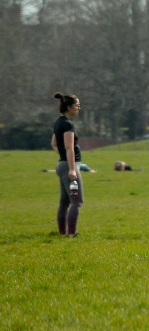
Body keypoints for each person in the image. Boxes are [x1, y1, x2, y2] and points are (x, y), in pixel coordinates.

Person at [51, 92, 83, 237]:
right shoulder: (68, 125)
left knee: (64, 202)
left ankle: (62, 232)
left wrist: (63, 157)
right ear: (69, 107)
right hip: (69, 167)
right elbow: (69, 147)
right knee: (76, 202)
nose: (78, 108)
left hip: (61, 165)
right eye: (77, 105)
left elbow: (54, 144)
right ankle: (71, 233)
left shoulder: (59, 122)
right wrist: (71, 169)